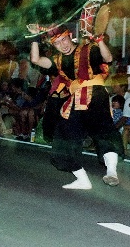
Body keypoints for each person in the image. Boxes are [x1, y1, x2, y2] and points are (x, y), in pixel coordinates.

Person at [28, 23, 123, 189]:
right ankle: (82, 179)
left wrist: (99, 40)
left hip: (96, 95)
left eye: (64, 40)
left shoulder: (87, 49)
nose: (62, 45)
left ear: (69, 36)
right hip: (76, 99)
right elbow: (35, 59)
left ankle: (111, 172)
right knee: (64, 134)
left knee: (103, 131)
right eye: (57, 43)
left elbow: (108, 59)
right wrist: (35, 38)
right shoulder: (57, 60)